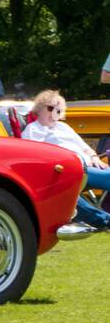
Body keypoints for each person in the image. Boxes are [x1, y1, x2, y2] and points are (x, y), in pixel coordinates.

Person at [22, 89, 110, 229]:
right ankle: (106, 221)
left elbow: (86, 148)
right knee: (68, 196)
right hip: (64, 172)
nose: (54, 113)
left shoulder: (64, 127)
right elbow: (34, 157)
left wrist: (94, 157)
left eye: (58, 110)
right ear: (39, 109)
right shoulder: (32, 130)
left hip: (87, 167)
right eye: (50, 108)